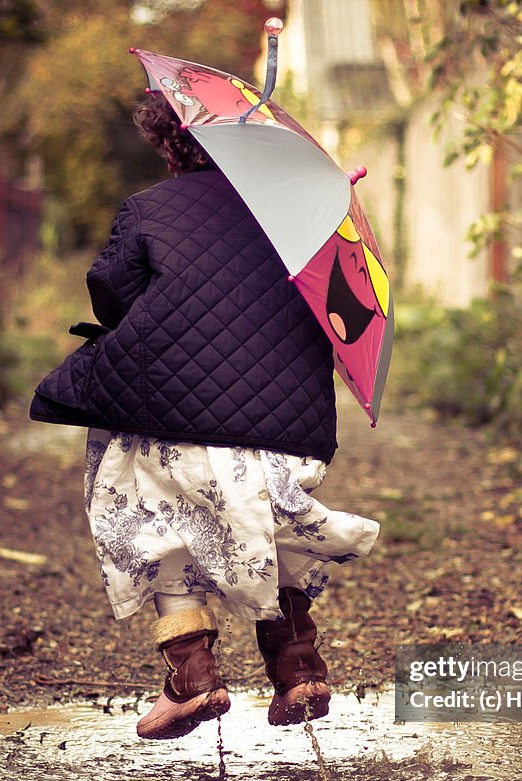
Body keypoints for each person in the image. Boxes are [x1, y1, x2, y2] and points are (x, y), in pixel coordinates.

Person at [39, 92, 379, 740]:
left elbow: (111, 293)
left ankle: (193, 676)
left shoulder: (146, 210)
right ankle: (299, 667)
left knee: (160, 517)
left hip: (176, 421)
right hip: (289, 428)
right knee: (266, 523)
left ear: (169, 145)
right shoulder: (297, 217)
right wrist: (326, 211)